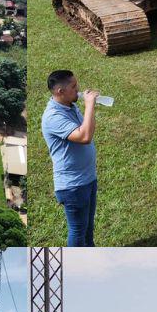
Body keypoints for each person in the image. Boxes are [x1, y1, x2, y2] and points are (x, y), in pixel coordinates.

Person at [41, 69, 98, 246]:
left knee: (88, 229)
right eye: (73, 87)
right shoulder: (53, 117)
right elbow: (84, 137)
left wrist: (89, 109)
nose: (78, 89)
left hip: (88, 179)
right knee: (78, 231)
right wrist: (89, 105)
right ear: (61, 91)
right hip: (73, 186)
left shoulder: (70, 106)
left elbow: (88, 129)